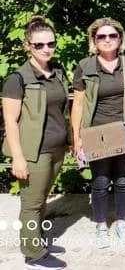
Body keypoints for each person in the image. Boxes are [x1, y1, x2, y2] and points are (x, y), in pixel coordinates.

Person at [3, 17, 70, 270]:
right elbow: (11, 122)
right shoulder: (17, 79)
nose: (46, 49)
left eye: (50, 43)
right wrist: (18, 158)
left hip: (57, 148)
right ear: (27, 46)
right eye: (39, 45)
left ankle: (38, 240)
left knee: (42, 200)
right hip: (34, 152)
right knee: (31, 203)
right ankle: (33, 253)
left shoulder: (57, 73)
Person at [69, 18, 125, 248]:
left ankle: (121, 223)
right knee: (100, 181)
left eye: (112, 36)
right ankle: (101, 225)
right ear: (94, 40)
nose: (107, 40)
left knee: (123, 178)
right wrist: (77, 137)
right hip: (98, 131)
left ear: (120, 39)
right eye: (101, 36)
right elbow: (78, 104)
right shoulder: (86, 66)